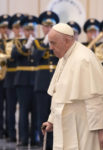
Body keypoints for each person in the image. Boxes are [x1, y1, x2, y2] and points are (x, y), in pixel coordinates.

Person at [41, 23, 103, 150]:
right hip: (70, 122)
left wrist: (101, 130)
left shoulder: (83, 58)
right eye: (50, 43)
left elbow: (94, 98)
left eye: (53, 43)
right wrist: (52, 120)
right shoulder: (64, 57)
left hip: (88, 124)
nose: (51, 48)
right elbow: (58, 93)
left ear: (67, 41)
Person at [11, 15, 39, 146]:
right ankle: (23, 138)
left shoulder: (39, 43)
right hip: (22, 80)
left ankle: (35, 137)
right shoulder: (18, 42)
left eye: (32, 29)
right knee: (23, 111)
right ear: (24, 30)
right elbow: (14, 56)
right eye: (27, 30)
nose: (30, 32)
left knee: (36, 111)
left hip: (37, 80)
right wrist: (26, 46)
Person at [33, 10, 59, 150]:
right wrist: (44, 43)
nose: (48, 29)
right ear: (42, 28)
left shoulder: (59, 43)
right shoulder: (37, 42)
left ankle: (55, 144)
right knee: (42, 114)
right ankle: (43, 143)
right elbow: (35, 57)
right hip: (42, 84)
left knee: (56, 115)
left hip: (57, 85)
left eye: (51, 26)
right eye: (46, 26)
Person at [3, 13, 24, 143]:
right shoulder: (8, 43)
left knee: (24, 108)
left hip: (23, 78)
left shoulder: (29, 42)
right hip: (10, 77)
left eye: (20, 27)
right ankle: (11, 134)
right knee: (10, 108)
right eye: (15, 28)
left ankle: (25, 135)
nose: (18, 30)